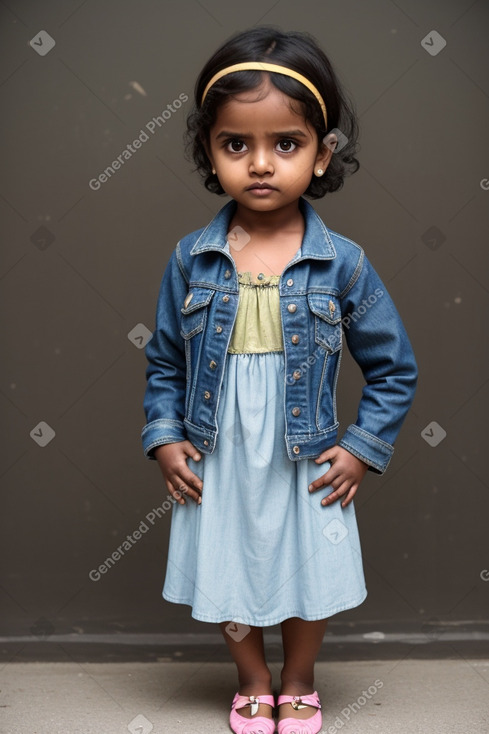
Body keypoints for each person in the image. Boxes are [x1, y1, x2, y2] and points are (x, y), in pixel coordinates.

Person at [141, 26, 417, 734]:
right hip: (220, 445)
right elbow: (166, 360)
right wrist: (165, 436)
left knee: (306, 565)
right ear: (209, 149)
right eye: (236, 144)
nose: (260, 164)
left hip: (304, 446)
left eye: (285, 144)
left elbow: (393, 368)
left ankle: (297, 680)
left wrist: (359, 447)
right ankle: (252, 679)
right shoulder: (191, 259)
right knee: (228, 561)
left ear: (322, 153)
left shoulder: (342, 264)